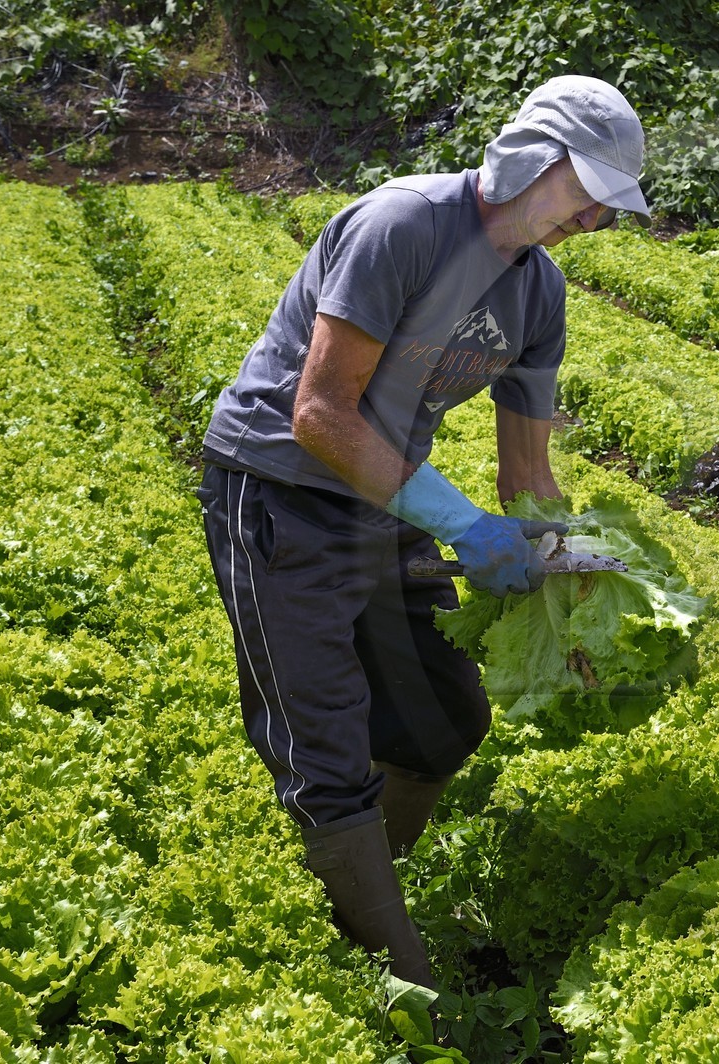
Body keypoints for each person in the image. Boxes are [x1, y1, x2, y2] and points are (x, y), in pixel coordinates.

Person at [194, 75, 649, 987]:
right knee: (324, 743)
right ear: (533, 159)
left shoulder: (540, 295)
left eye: (609, 210)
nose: (593, 223)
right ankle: (403, 985)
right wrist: (461, 525)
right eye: (586, 195)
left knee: (442, 721)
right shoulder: (403, 225)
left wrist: (566, 585)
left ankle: (359, 894)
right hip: (280, 490)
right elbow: (319, 415)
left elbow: (528, 475)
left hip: (388, 497)